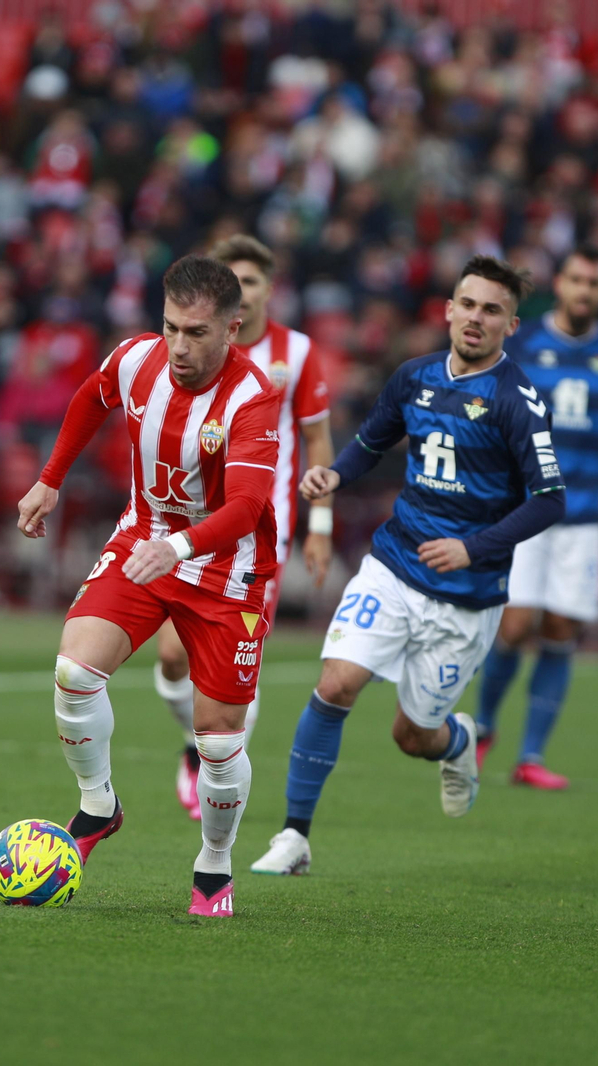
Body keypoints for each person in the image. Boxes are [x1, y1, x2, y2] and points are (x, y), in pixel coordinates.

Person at [251, 256, 567, 877]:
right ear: (448, 310)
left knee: (411, 735)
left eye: (492, 310)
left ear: (510, 324)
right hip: (392, 567)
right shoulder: (414, 377)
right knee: (336, 684)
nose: (476, 318)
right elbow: (371, 441)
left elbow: (551, 500)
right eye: (467, 304)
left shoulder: (518, 401)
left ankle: (458, 742)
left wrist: (473, 548)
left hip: (465, 596)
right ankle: (294, 836)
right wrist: (334, 474)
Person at [15, 255, 283, 917]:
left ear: (233, 326)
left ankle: (213, 862)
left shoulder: (253, 399)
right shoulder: (137, 359)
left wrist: (179, 547)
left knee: (219, 742)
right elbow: (89, 398)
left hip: (227, 573)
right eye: (171, 328)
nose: (180, 346)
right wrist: (51, 478)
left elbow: (246, 509)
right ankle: (98, 806)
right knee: (75, 671)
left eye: (196, 332)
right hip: (145, 541)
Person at [474, 247, 598, 790]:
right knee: (515, 625)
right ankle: (485, 728)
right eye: (576, 279)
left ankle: (531, 757)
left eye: (595, 283)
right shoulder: (521, 345)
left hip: (585, 516)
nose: (584, 290)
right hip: (523, 510)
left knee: (562, 627)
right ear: (558, 284)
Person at [151, 234, 334, 822]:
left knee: (231, 666)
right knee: (173, 659)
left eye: (251, 280)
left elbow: (317, 440)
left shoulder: (296, 353)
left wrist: (321, 524)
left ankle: (217, 769)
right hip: (185, 523)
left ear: (265, 290)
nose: (242, 288)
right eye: (232, 277)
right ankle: (193, 744)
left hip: (258, 536)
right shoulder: (185, 349)